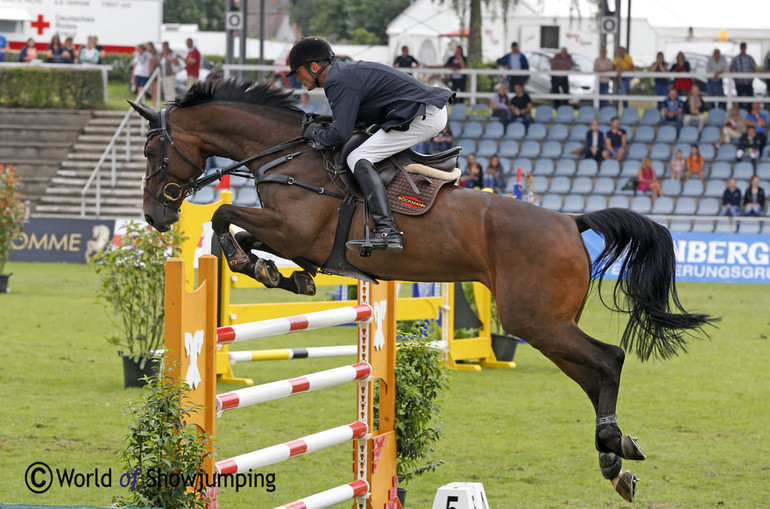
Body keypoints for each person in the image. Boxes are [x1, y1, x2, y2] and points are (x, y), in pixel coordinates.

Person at [291, 37, 454, 253]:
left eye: (297, 71)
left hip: (424, 113)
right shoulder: (341, 75)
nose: (297, 78)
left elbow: (340, 135)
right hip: (422, 111)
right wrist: (322, 124)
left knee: (357, 157)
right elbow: (350, 123)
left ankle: (387, 230)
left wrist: (315, 134)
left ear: (313, 66)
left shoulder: (337, 81)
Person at [730, 42, 756, 110]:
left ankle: (749, 113)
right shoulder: (735, 58)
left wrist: (751, 79)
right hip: (739, 83)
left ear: (746, 48)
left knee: (750, 100)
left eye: (744, 47)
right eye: (742, 47)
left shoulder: (750, 58)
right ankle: (741, 113)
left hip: (748, 83)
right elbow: (731, 69)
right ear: (740, 48)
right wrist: (735, 80)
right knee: (740, 101)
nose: (743, 49)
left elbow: (754, 68)